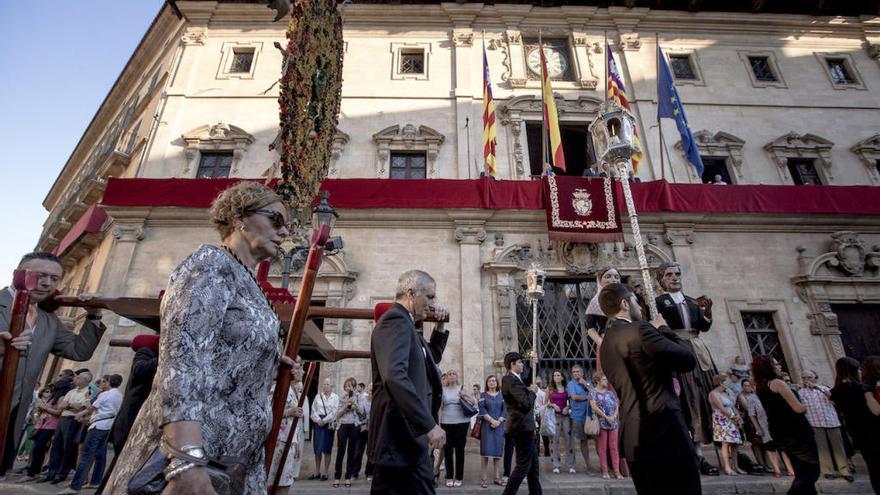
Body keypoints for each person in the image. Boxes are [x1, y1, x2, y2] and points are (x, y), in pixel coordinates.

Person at [105, 181, 294, 494]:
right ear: (240, 218)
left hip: (237, 457)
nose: (285, 232)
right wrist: (187, 460)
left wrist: (270, 360)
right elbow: (182, 361)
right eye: (276, 220)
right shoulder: (210, 265)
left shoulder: (250, 282)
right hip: (195, 454)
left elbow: (228, 351)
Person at [0, 251, 106, 480]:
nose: (47, 283)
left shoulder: (48, 320)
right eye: (39, 275)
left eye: (54, 278)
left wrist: (94, 316)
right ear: (18, 274)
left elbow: (79, 350)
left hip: (13, 418)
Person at [598, 282, 701, 495]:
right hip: (663, 429)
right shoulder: (641, 329)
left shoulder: (606, 343)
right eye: (636, 301)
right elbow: (687, 359)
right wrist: (663, 328)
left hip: (634, 436)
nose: (640, 306)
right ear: (625, 304)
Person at [368, 269, 449, 495]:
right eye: (430, 297)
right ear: (411, 293)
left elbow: (428, 360)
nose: (433, 303)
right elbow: (395, 377)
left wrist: (440, 327)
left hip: (406, 445)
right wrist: (429, 425)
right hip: (399, 440)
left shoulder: (409, 326)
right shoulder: (395, 321)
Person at [654, 261, 719, 476]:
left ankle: (715, 441)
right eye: (669, 275)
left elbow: (704, 326)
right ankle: (693, 448)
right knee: (688, 397)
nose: (674, 278)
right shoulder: (659, 303)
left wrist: (707, 312)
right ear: (661, 279)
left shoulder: (692, 302)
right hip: (677, 347)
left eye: (677, 274)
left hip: (697, 349)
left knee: (704, 393)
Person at [95, 334, 159, 494]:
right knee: (120, 469)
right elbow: (140, 370)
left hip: (143, 424)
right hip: (131, 422)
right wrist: (168, 354)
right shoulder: (146, 352)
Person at [752, 355, 819, 495]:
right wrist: (806, 402)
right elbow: (798, 408)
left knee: (801, 470)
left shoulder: (760, 386)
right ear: (769, 367)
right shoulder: (777, 383)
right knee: (810, 471)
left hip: (780, 430)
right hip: (795, 430)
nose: (779, 366)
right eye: (776, 364)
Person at [61, 374, 124, 494]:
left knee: (86, 455)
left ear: (109, 382)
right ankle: (95, 481)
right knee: (100, 454)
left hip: (99, 425)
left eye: (105, 381)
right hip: (108, 426)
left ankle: (75, 486)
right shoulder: (120, 395)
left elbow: (91, 408)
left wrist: (87, 400)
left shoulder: (106, 394)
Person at [831, 357, 880, 494]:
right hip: (874, 431)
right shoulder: (863, 388)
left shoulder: (835, 392)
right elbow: (875, 411)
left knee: (873, 468)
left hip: (857, 433)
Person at [501, 351, 542, 495]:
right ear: (512, 364)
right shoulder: (509, 379)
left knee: (533, 468)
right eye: (520, 362)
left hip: (526, 427)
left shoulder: (516, 379)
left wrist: (533, 365)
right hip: (521, 428)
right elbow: (525, 404)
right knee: (523, 466)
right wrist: (533, 392)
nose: (522, 365)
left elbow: (527, 380)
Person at [798, 369, 851, 481]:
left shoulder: (824, 388)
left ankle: (844, 470)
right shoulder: (801, 392)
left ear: (815, 377)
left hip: (831, 421)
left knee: (838, 447)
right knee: (822, 448)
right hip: (815, 422)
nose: (806, 380)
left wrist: (818, 388)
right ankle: (828, 470)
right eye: (804, 378)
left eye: (809, 377)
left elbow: (834, 400)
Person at [43, 371, 93, 484]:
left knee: (68, 447)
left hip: (72, 421)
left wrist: (68, 405)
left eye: (78, 377)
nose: (75, 379)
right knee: (56, 445)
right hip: (63, 419)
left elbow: (80, 407)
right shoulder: (71, 391)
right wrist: (70, 406)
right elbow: (61, 406)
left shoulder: (88, 392)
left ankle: (62, 473)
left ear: (85, 380)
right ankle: (51, 472)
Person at [268, 360, 308, 495]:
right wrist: (289, 412)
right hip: (278, 443)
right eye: (300, 367)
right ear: (291, 370)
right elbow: (268, 414)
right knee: (275, 485)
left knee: (285, 484)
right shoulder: (278, 388)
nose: (302, 371)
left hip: (288, 443)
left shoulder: (292, 389)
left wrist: (295, 442)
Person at [738, 379, 791, 477]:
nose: (751, 387)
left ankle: (789, 469)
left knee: (781, 447)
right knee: (766, 446)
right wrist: (757, 427)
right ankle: (772, 468)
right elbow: (751, 413)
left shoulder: (769, 394)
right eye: (749, 386)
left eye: (752, 385)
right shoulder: (750, 398)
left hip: (774, 423)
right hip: (759, 425)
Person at [440, 369, 475, 487]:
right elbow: (439, 406)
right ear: (447, 377)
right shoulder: (443, 390)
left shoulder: (462, 388)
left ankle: (459, 477)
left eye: (454, 374)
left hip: (461, 422)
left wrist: (464, 396)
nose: (451, 376)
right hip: (446, 422)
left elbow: (473, 402)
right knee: (448, 450)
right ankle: (449, 476)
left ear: (457, 376)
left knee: (460, 450)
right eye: (449, 374)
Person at [21, 386, 63, 482]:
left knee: (40, 449)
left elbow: (58, 412)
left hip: (51, 426)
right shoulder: (50, 399)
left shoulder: (60, 398)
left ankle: (33, 473)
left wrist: (46, 409)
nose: (49, 393)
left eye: (50, 391)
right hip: (41, 425)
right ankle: (32, 471)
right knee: (36, 449)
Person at [585, 267, 621, 373]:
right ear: (600, 280)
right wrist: (601, 342)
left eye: (616, 277)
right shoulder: (596, 302)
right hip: (608, 339)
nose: (613, 279)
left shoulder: (628, 298)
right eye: (608, 276)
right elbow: (590, 328)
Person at [589, 371, 623, 480]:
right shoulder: (593, 393)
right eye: (604, 379)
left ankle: (617, 472)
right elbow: (594, 407)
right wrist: (606, 417)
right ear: (597, 381)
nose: (606, 381)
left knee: (614, 447)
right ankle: (605, 471)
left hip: (613, 422)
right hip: (602, 423)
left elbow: (617, 405)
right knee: (603, 448)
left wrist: (613, 416)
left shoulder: (610, 393)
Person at [709, 374, 744, 476]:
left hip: (731, 419)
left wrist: (738, 416)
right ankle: (727, 467)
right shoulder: (713, 394)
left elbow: (732, 406)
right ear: (720, 383)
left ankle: (736, 466)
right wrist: (733, 417)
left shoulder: (725, 393)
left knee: (735, 444)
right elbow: (721, 408)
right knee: (726, 443)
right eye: (726, 382)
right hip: (722, 420)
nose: (727, 384)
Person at [333, 376, 362, 487]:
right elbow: (337, 415)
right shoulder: (340, 397)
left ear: (354, 387)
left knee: (352, 452)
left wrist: (355, 405)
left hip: (355, 426)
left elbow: (362, 412)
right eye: (346, 386)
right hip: (343, 426)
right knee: (340, 451)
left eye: (350, 386)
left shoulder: (359, 397)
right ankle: (337, 477)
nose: (348, 388)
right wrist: (345, 406)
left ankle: (348, 477)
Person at [478, 374, 506, 488]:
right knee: (485, 453)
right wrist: (491, 421)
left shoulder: (502, 395)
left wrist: (498, 421)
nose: (492, 383)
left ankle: (496, 477)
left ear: (497, 383)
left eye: (494, 381)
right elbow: (482, 409)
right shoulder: (483, 395)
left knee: (497, 453)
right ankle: (484, 478)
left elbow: (505, 410)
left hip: (499, 426)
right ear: (487, 383)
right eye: (489, 381)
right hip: (486, 426)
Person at [310, 378, 339, 481]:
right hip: (318, 423)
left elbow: (334, 412)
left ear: (332, 386)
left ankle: (326, 473)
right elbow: (313, 411)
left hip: (328, 424)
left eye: (327, 384)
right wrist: (318, 420)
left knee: (327, 449)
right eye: (324, 384)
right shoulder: (318, 396)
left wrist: (324, 421)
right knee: (317, 448)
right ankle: (317, 471)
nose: (325, 386)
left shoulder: (335, 397)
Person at [545, 369, 573, 474]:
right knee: (554, 440)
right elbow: (545, 402)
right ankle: (556, 464)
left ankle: (571, 464)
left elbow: (571, 401)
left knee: (568, 439)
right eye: (554, 375)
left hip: (566, 416)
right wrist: (552, 405)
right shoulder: (550, 389)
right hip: (554, 417)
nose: (556, 377)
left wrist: (567, 407)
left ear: (562, 377)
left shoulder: (566, 388)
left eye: (558, 375)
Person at [566, 364, 593, 473]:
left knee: (596, 439)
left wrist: (585, 384)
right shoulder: (571, 384)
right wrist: (587, 397)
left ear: (582, 372)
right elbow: (574, 397)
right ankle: (588, 465)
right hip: (578, 416)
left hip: (591, 415)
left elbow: (594, 393)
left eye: (578, 371)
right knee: (583, 440)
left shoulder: (588, 383)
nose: (576, 373)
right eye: (574, 372)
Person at [351, 382, 371, 481]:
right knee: (358, 451)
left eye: (372, 390)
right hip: (362, 428)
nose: (371, 392)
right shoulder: (363, 399)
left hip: (372, 430)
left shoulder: (376, 401)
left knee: (370, 452)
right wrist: (355, 405)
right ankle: (355, 472)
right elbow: (361, 411)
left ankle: (369, 473)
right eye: (370, 390)